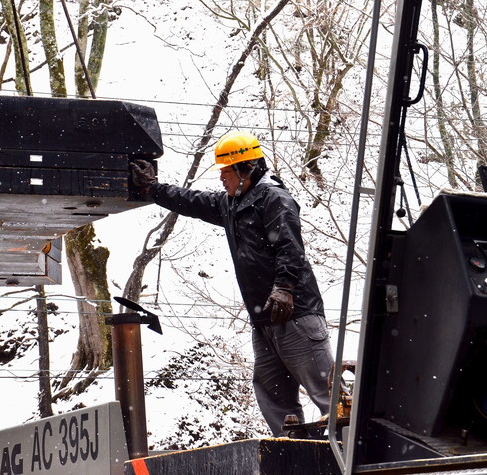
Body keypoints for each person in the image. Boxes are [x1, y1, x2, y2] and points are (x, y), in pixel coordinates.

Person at [129, 131, 334, 436]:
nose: (222, 178)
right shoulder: (233, 204)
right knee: (273, 397)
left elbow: (290, 247)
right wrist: (153, 188)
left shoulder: (274, 198)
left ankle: (351, 452)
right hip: (265, 318)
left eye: (226, 171)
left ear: (246, 168)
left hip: (296, 315)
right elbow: (192, 202)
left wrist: (285, 287)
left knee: (327, 394)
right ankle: (292, 454)